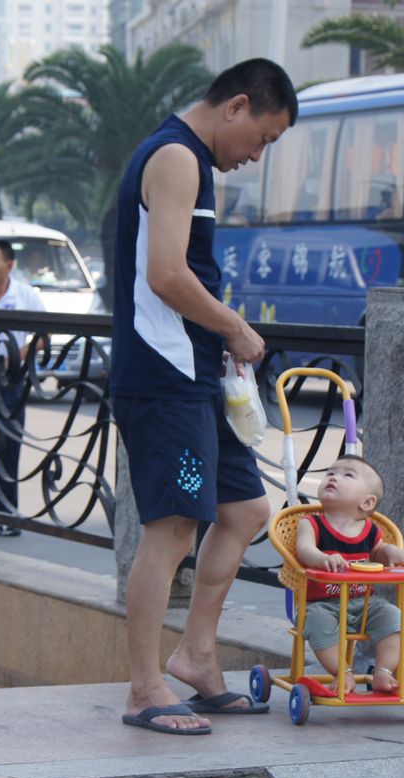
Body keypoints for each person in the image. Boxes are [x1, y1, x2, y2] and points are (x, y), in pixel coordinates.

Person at [112, 58, 298, 735]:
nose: (257, 155)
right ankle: (142, 687)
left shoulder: (192, 162)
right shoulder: (174, 157)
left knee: (246, 507)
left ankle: (194, 653)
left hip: (196, 381)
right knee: (173, 526)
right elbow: (166, 273)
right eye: (264, 138)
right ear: (237, 106)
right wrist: (236, 327)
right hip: (163, 384)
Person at [294, 455, 404, 694]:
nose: (333, 478)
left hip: (364, 602)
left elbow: (378, 552)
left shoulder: (370, 530)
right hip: (321, 603)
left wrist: (390, 551)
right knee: (318, 624)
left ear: (367, 503)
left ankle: (383, 671)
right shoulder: (313, 524)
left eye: (347, 475)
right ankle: (343, 671)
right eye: (330, 473)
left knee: (394, 617)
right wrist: (322, 558)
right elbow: (304, 549)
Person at [0, 239, 46, 537]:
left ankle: (6, 513)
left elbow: (44, 335)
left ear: (9, 265)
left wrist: (17, 357)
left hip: (11, 381)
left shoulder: (26, 295)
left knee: (9, 445)